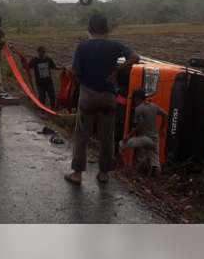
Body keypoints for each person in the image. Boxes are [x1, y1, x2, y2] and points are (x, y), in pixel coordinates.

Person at [64, 13, 139, 185]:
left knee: (82, 135)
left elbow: (75, 71)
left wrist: (69, 70)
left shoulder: (82, 46)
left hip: (88, 96)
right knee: (107, 136)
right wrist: (118, 70)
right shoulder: (115, 45)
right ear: (107, 29)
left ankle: (77, 173)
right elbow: (135, 57)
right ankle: (104, 173)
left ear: (89, 29)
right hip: (108, 97)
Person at [119, 89, 167, 177]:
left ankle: (121, 168)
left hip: (145, 139)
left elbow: (140, 125)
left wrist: (128, 136)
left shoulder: (138, 109)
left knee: (121, 144)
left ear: (138, 98)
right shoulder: (154, 106)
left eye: (133, 98)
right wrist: (162, 128)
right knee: (156, 163)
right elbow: (165, 115)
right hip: (155, 139)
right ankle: (157, 182)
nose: (133, 101)